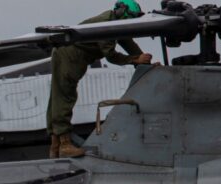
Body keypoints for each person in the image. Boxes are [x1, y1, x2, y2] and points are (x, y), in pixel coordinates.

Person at [48, 0, 153, 158]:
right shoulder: (107, 25)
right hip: (70, 58)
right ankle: (64, 145)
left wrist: (145, 62)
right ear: (121, 12)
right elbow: (110, 56)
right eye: (130, 17)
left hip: (70, 56)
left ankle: (55, 146)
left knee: (59, 98)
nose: (131, 22)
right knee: (64, 98)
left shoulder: (115, 23)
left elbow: (128, 42)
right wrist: (134, 60)